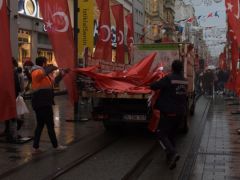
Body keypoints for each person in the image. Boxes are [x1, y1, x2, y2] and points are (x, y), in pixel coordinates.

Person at [150, 60, 188, 170]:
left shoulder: (169, 78)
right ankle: (170, 159)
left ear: (172, 68)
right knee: (171, 136)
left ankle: (172, 153)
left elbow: (155, 86)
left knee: (160, 134)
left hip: (169, 112)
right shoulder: (185, 81)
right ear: (181, 69)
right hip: (181, 113)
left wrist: (150, 83)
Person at [31, 56, 68, 153]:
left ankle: (35, 147)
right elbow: (39, 75)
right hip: (42, 103)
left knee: (40, 125)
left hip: (43, 103)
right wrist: (50, 68)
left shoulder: (45, 75)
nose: (47, 64)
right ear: (43, 63)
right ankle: (55, 146)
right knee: (50, 125)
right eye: (46, 63)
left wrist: (63, 73)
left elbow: (54, 82)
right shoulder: (36, 71)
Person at [4, 58, 24, 142]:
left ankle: (9, 133)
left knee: (8, 115)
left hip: (7, 96)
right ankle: (12, 135)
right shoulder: (13, 72)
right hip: (12, 96)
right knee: (13, 116)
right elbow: (17, 85)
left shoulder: (5, 71)